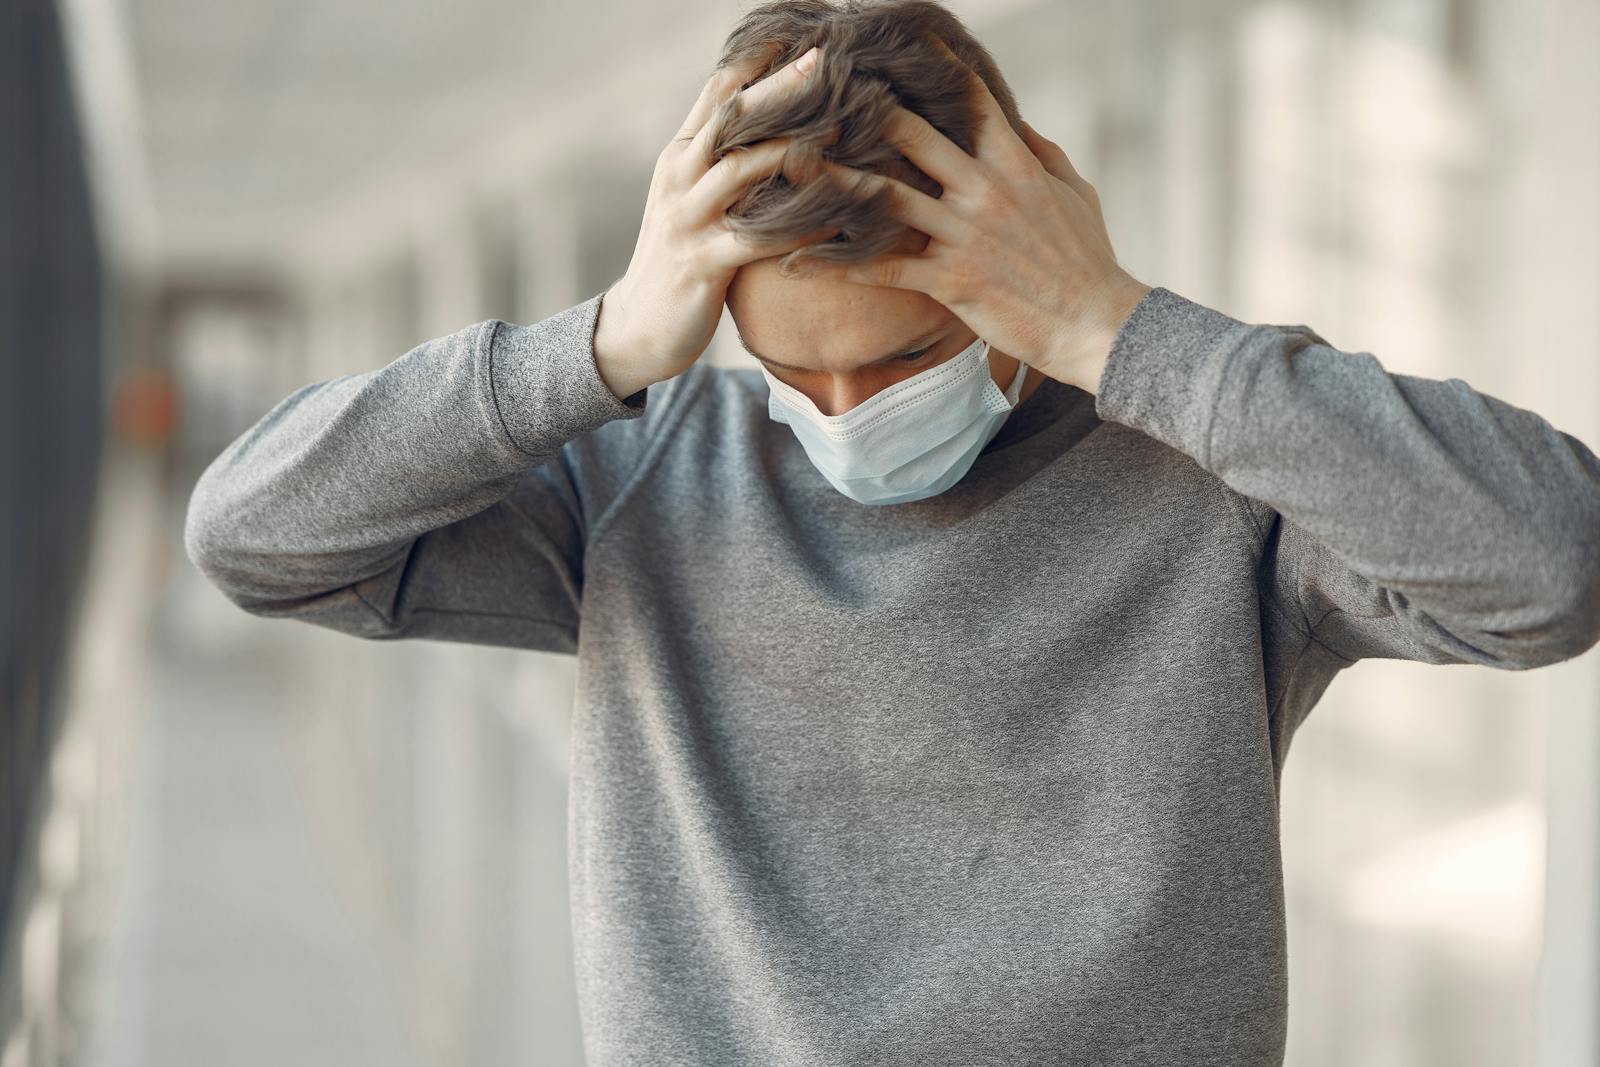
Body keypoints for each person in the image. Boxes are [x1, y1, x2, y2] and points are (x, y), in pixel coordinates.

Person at [183, 2, 1600, 1064]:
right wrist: (598, 348)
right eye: (794, 371)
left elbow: (1550, 565)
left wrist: (1126, 332)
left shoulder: (1217, 489)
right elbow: (255, 536)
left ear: (1019, 266)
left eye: (909, 359)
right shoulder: (637, 480)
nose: (848, 416)